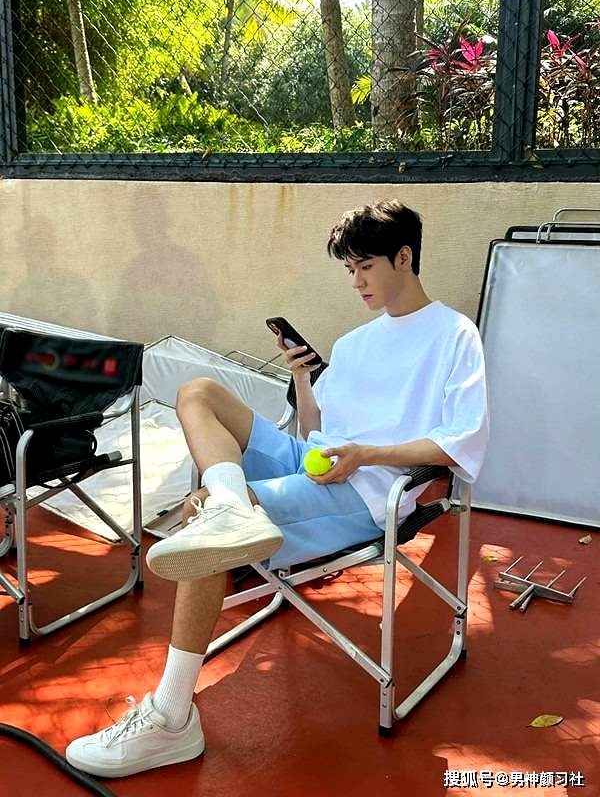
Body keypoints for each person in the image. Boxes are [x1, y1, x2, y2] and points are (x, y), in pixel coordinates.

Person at [66, 199, 489, 778]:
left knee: (205, 539)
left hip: (368, 491)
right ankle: (230, 504)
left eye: (365, 266)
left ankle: (171, 718)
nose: (356, 281)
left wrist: (368, 454)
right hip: (316, 463)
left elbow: (460, 443)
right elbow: (315, 433)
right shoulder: (356, 343)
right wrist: (302, 379)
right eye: (349, 269)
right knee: (199, 392)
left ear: (404, 257)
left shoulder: (454, 336)